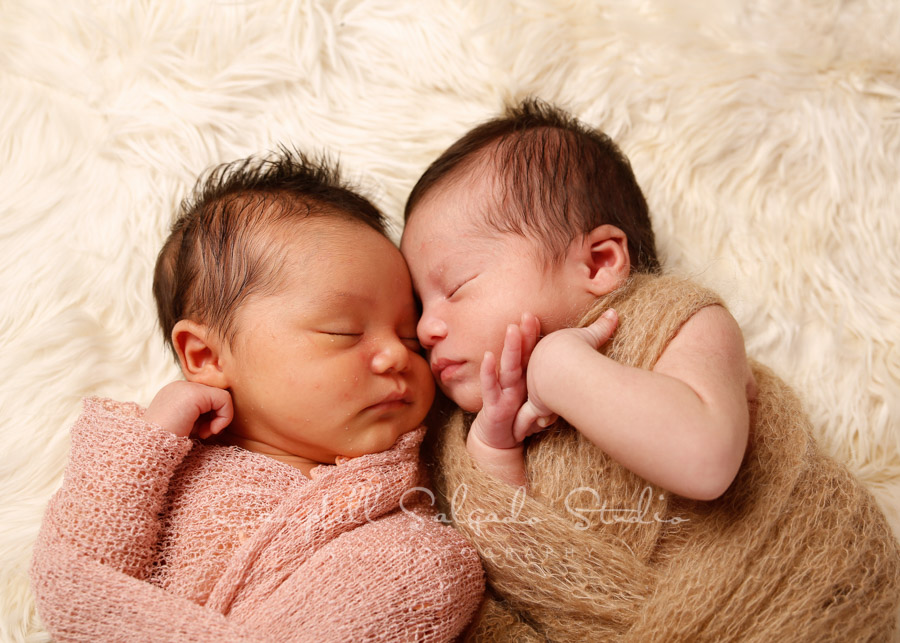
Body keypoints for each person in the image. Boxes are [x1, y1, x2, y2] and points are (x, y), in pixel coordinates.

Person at [399, 100, 900, 641]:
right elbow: (519, 561)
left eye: (454, 288)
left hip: (782, 599)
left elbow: (706, 461)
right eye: (419, 307)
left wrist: (560, 367)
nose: (427, 329)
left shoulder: (675, 321)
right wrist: (495, 452)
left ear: (598, 263)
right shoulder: (468, 433)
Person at [30, 149, 484, 642]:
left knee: (435, 565)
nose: (397, 355)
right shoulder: (154, 471)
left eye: (410, 336)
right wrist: (146, 442)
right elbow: (70, 574)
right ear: (205, 357)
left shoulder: (409, 539)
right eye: (343, 332)